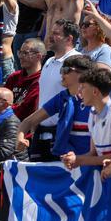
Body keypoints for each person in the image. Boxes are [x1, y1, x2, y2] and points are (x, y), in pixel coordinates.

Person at [18, 55, 93, 160]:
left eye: (66, 70)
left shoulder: (94, 100)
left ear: (83, 74)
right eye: (61, 70)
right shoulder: (62, 98)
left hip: (87, 162)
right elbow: (27, 122)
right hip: (66, 160)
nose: (62, 73)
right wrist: (20, 138)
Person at [32, 20, 82, 160]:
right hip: (41, 131)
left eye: (56, 33)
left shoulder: (77, 62)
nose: (50, 36)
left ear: (69, 38)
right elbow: (43, 94)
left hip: (62, 133)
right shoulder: (48, 61)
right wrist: (34, 121)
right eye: (50, 32)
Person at [60, 67, 111, 169]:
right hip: (106, 176)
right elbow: (93, 153)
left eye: (83, 87)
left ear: (95, 91)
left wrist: (79, 160)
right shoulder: (92, 113)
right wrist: (74, 158)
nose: (79, 92)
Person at [5, 38, 44, 122]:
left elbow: (26, 110)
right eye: (20, 52)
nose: (21, 57)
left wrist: (3, 109)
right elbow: (1, 101)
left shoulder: (42, 80)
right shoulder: (14, 77)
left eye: (25, 53)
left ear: (39, 56)